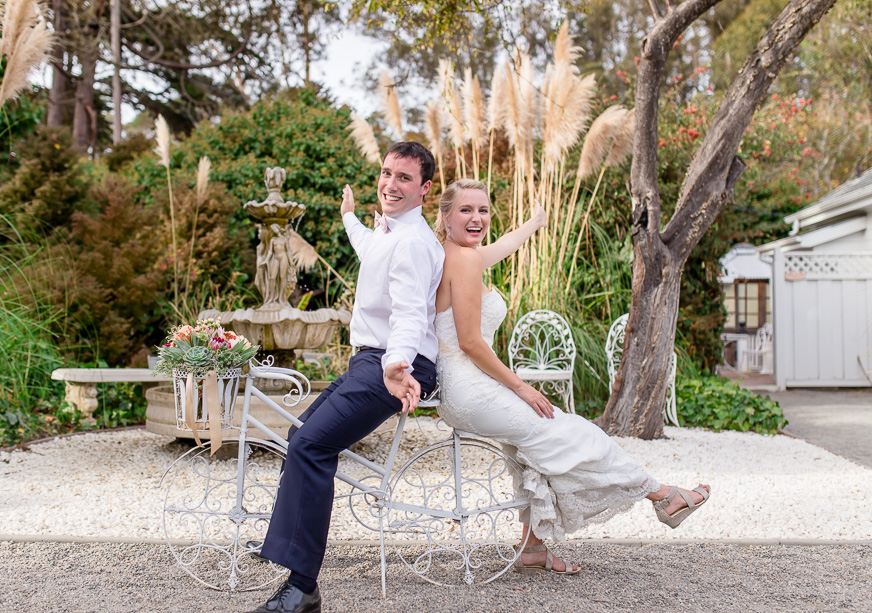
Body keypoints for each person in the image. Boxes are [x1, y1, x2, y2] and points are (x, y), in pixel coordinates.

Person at [432, 178, 710, 575]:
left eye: (484, 210)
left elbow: (500, 247)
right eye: (465, 210)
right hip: (469, 384)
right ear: (446, 216)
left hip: (461, 387)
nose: (477, 218)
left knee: (532, 449)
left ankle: (533, 547)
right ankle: (665, 495)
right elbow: (472, 342)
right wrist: (522, 387)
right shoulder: (465, 259)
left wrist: (534, 223)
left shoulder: (457, 254)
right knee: (571, 433)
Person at [249, 142, 443, 613]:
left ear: (425, 189)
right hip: (374, 361)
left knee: (311, 446)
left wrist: (396, 365)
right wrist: (349, 217)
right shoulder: (391, 233)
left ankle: (302, 588)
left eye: (403, 178)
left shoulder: (414, 242)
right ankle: (289, 550)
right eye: (386, 173)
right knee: (301, 438)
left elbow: (411, 313)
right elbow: (368, 247)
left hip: (398, 364)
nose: (390, 184)